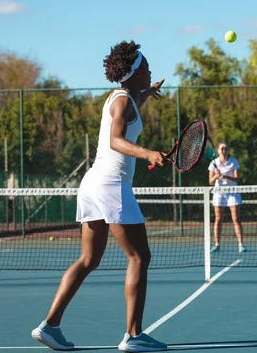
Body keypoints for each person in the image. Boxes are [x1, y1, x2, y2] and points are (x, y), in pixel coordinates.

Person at [31, 41, 168, 352]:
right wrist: (147, 151)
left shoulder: (124, 98)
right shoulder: (123, 103)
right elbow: (116, 139)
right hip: (111, 184)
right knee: (139, 257)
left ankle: (50, 326)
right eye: (146, 68)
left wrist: (149, 91)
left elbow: (133, 106)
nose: (150, 71)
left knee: (88, 259)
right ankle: (133, 336)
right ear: (134, 73)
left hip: (92, 183)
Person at [208, 142, 246, 253]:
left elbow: (236, 178)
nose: (224, 151)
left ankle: (240, 244)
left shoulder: (234, 161)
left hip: (232, 192)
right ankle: (217, 244)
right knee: (218, 219)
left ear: (228, 150)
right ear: (218, 151)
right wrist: (216, 175)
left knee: (236, 219)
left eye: (226, 149)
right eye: (222, 149)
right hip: (219, 193)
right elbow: (210, 181)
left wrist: (224, 176)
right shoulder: (213, 163)